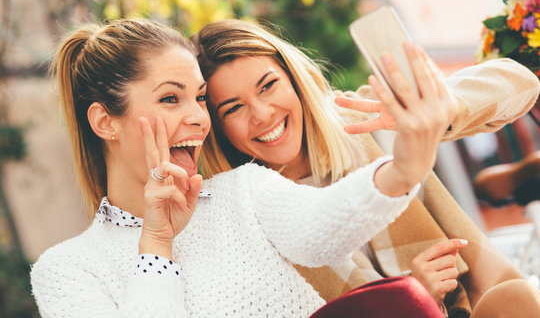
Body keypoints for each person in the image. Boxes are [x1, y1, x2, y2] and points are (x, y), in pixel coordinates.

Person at [30, 18, 454, 317]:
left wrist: (405, 166)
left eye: (199, 97)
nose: (199, 117)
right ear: (106, 122)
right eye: (170, 99)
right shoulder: (67, 270)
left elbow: (323, 228)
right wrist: (157, 243)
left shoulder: (245, 191)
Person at [193, 19, 540, 317]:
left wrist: (436, 112)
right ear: (217, 127)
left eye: (268, 86)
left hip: (485, 305)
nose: (262, 114)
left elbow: (521, 85)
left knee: (516, 297)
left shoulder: (366, 120)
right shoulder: (246, 217)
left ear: (294, 79)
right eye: (233, 108)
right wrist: (412, 296)